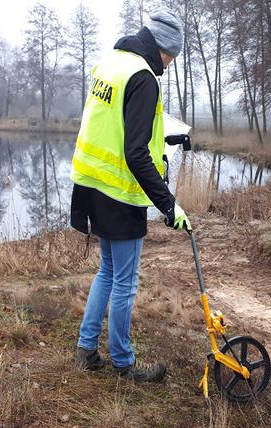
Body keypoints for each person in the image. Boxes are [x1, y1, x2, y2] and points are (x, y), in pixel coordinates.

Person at [69, 8, 191, 382]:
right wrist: (169, 206)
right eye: (171, 55)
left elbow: (116, 126)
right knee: (125, 281)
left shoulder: (112, 64)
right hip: (120, 194)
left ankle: (86, 349)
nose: (169, 64)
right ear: (161, 47)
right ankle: (124, 363)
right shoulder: (143, 78)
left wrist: (165, 137)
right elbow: (135, 153)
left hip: (91, 184)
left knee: (107, 272)